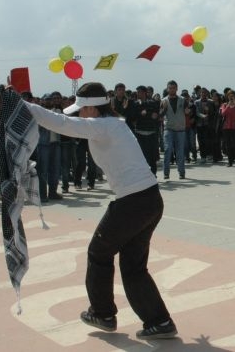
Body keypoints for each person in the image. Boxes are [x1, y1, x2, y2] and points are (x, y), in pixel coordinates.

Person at [23, 82, 176, 339]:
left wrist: (22, 105)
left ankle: (102, 313)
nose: (80, 115)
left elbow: (61, 123)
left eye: (82, 110)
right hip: (149, 200)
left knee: (98, 252)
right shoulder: (111, 125)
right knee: (133, 266)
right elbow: (67, 123)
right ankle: (159, 322)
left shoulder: (105, 126)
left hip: (133, 202)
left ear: (92, 109)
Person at [160, 80, 188, 180]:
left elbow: (187, 111)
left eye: (173, 88)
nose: (171, 90)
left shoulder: (183, 99)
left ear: (177, 88)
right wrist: (163, 110)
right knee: (167, 150)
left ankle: (181, 172)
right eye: (170, 88)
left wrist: (187, 110)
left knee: (180, 152)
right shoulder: (164, 100)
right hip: (169, 128)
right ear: (167, 89)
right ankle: (166, 173)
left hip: (180, 129)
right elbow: (160, 116)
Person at [219, 90, 235, 166]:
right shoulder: (224, 104)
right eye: (229, 95)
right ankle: (230, 162)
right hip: (227, 127)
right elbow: (223, 114)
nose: (231, 97)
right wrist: (228, 105)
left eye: (232, 95)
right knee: (228, 145)